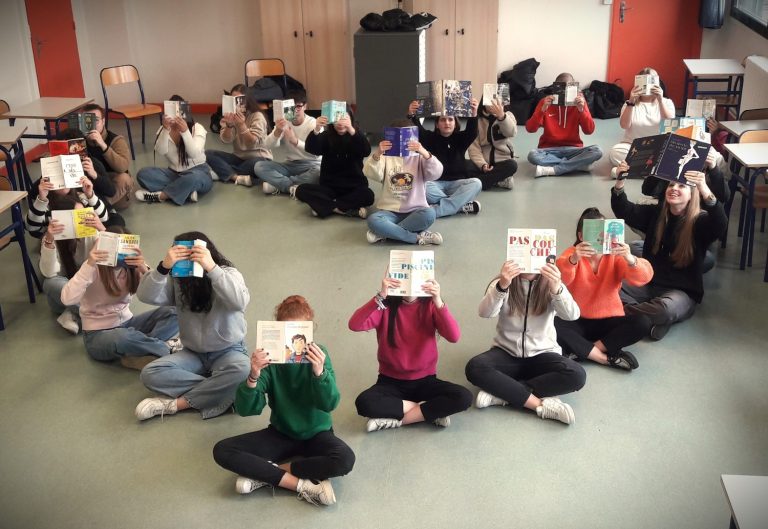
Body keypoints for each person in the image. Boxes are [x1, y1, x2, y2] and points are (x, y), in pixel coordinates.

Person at [212, 295, 354, 507]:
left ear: (310, 330)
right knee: (222, 450)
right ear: (278, 331)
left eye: (300, 331)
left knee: (344, 459)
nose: (294, 339)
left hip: (318, 433)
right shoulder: (272, 360)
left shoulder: (320, 354)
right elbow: (247, 409)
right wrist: (254, 374)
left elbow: (330, 404)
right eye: (287, 332)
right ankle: (301, 485)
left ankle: (267, 473)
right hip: (281, 433)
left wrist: (319, 372)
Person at [134, 232, 250, 420]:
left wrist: (211, 268)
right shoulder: (180, 280)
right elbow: (146, 296)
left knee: (242, 370)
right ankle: (224, 391)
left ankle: (176, 405)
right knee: (150, 374)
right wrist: (163, 267)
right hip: (193, 352)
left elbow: (239, 302)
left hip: (229, 350)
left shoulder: (228, 273)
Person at [611, 161, 727, 340]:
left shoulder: (700, 222)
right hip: (649, 282)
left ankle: (618, 313)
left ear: (691, 195)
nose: (674, 188)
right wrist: (620, 181)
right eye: (671, 184)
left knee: (665, 309)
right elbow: (624, 210)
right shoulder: (657, 214)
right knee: (609, 286)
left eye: (682, 186)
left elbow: (720, 224)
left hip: (681, 291)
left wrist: (704, 189)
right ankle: (648, 321)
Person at [465, 260, 586, 425]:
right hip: (506, 353)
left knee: (577, 375)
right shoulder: (501, 283)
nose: (529, 263)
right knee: (475, 367)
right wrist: (502, 286)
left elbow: (572, 315)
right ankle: (538, 404)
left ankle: (502, 394)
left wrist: (557, 289)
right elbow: (485, 313)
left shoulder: (551, 284)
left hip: (543, 354)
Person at [349, 274, 472, 432]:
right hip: (390, 382)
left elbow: (454, 336)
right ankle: (427, 411)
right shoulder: (384, 305)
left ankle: (399, 420)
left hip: (426, 381)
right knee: (364, 403)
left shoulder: (430, 305)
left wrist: (438, 300)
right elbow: (354, 324)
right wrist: (380, 296)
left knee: (463, 397)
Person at [59, 227, 180, 370]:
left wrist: (143, 266)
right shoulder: (93, 268)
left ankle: (142, 350)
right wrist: (90, 263)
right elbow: (66, 298)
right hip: (98, 335)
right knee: (122, 336)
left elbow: (157, 294)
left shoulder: (131, 267)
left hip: (129, 324)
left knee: (176, 311)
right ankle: (164, 350)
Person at [554, 207, 653, 371]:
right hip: (577, 320)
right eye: (592, 231)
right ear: (581, 236)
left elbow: (643, 278)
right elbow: (560, 280)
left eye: (602, 230)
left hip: (608, 320)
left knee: (643, 322)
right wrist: (573, 259)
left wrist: (630, 259)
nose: (598, 236)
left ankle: (585, 351)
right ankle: (604, 358)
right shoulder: (572, 253)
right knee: (552, 323)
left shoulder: (616, 255)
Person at [35, 177, 110, 335]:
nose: (82, 218)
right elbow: (49, 274)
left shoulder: (91, 232)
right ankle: (95, 315)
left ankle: (73, 314)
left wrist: (102, 230)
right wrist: (49, 239)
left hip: (89, 290)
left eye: (82, 213)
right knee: (50, 283)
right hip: (65, 294)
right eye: (77, 216)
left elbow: (112, 259)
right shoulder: (53, 237)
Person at [363, 121, 444, 245]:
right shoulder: (385, 158)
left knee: (429, 213)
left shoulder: (419, 158)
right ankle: (416, 237)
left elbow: (436, 173)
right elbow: (370, 172)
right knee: (373, 219)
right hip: (389, 211)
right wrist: (377, 154)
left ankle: (385, 233)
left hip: (415, 210)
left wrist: (424, 152)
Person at [407, 99, 482, 216]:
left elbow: (472, 131)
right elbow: (417, 130)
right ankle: (459, 206)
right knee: (420, 185)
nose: (447, 123)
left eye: (450, 119)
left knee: (476, 183)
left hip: (457, 184)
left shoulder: (461, 138)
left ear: (455, 123)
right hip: (434, 184)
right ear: (437, 124)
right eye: (443, 120)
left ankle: (436, 211)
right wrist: (412, 114)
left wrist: (474, 113)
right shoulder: (429, 138)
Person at [294, 109, 374, 218]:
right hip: (329, 187)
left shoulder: (356, 136)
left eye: (344, 119)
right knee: (300, 190)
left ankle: (326, 206)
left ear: (351, 120)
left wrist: (351, 129)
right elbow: (311, 148)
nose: (340, 124)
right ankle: (343, 209)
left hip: (354, 186)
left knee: (368, 195)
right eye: (336, 120)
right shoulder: (327, 136)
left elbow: (366, 151)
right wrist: (316, 129)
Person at [135, 95, 213, 205]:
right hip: (174, 173)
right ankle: (186, 191)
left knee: (194, 178)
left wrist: (185, 132)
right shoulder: (163, 130)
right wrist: (165, 130)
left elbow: (193, 154)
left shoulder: (197, 128)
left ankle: (161, 196)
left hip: (199, 171)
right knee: (143, 174)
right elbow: (161, 151)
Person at [526, 73, 602, 177]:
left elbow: (589, 131)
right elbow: (530, 129)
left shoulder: (579, 103)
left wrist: (582, 110)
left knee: (597, 151)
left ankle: (553, 170)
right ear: (555, 88)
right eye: (561, 88)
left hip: (573, 149)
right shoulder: (545, 102)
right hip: (548, 149)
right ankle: (578, 165)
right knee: (532, 155)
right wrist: (542, 110)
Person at [608, 68, 675, 177]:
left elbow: (670, 125)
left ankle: (629, 171)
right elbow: (624, 125)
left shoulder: (667, 102)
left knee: (673, 154)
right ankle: (650, 170)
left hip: (658, 148)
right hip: (633, 147)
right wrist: (631, 102)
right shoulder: (629, 103)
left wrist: (660, 100)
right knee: (615, 152)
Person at [254, 89, 322, 196]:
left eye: (298, 107)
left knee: (319, 172)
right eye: (291, 107)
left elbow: (317, 153)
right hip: (290, 164)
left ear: (305, 106)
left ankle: (279, 185)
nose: (294, 110)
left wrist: (295, 142)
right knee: (259, 166)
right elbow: (267, 145)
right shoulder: (285, 121)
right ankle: (293, 187)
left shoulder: (313, 124)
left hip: (311, 164)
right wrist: (277, 131)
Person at [205, 84, 272, 185]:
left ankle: (222, 172)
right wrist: (229, 125)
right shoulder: (230, 116)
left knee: (257, 165)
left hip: (258, 157)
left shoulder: (257, 116)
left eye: (239, 99)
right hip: (239, 157)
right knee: (208, 153)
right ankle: (235, 177)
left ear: (247, 100)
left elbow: (251, 143)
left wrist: (241, 125)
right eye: (233, 99)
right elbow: (226, 140)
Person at [78, 103, 134, 209]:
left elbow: (123, 167)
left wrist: (103, 145)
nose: (92, 125)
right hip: (90, 183)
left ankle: (98, 208)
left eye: (96, 120)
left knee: (124, 178)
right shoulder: (79, 140)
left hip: (113, 188)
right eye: (87, 121)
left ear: (103, 122)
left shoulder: (117, 140)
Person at [468, 96, 518, 190]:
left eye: (498, 101)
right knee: (465, 165)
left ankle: (480, 182)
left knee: (512, 165)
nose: (494, 104)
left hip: (502, 161)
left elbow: (511, 132)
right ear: (484, 103)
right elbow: (474, 148)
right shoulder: (478, 121)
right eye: (490, 101)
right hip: (484, 163)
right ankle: (497, 181)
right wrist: (483, 165)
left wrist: (502, 117)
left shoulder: (509, 116)